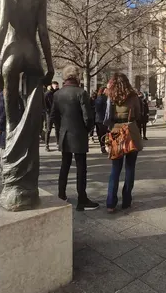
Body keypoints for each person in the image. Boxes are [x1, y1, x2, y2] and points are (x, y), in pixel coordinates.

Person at [50, 65, 99, 211]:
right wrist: (87, 130)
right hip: (78, 134)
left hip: (64, 134)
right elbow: (88, 117)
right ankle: (82, 199)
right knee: (81, 167)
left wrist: (61, 129)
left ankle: (61, 194)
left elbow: (53, 115)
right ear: (77, 76)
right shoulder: (81, 93)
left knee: (64, 165)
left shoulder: (57, 94)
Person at [104, 72, 142, 212]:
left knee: (115, 169)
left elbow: (107, 117)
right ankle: (126, 200)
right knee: (130, 168)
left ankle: (111, 203)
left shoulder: (110, 97)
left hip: (116, 132)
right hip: (131, 131)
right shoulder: (133, 96)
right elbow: (138, 114)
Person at [44, 81, 60, 152]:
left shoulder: (58, 93)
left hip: (56, 114)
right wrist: (48, 111)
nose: (57, 87)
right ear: (52, 85)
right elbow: (44, 104)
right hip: (50, 114)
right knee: (48, 130)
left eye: (57, 86)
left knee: (57, 129)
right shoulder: (47, 93)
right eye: (55, 86)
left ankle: (58, 143)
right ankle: (46, 145)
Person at [94, 87, 109, 154]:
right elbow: (98, 109)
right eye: (106, 90)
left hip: (100, 119)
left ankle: (103, 146)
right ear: (103, 91)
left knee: (102, 134)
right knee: (103, 134)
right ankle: (103, 147)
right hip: (102, 119)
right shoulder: (102, 98)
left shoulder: (101, 98)